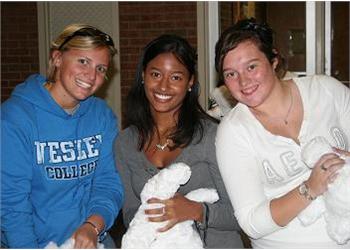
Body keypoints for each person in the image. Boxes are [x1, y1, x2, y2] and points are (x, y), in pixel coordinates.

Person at [215, 18, 350, 248]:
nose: (243, 81)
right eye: (230, 74)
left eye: (251, 66)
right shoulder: (233, 132)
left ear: (273, 60)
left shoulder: (326, 91)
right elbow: (250, 223)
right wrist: (310, 188)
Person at [1, 24, 124, 248]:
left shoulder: (102, 116)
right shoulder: (15, 118)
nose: (91, 75)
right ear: (57, 58)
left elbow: (108, 183)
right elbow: (11, 203)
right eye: (83, 61)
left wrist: (93, 226)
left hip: (94, 239)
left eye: (101, 69)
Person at [114, 34, 243, 248]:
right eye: (156, 74)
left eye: (176, 77)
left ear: (190, 82)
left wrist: (196, 210)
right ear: (143, 76)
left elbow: (243, 215)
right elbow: (130, 215)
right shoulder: (125, 142)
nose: (163, 86)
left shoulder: (213, 137)